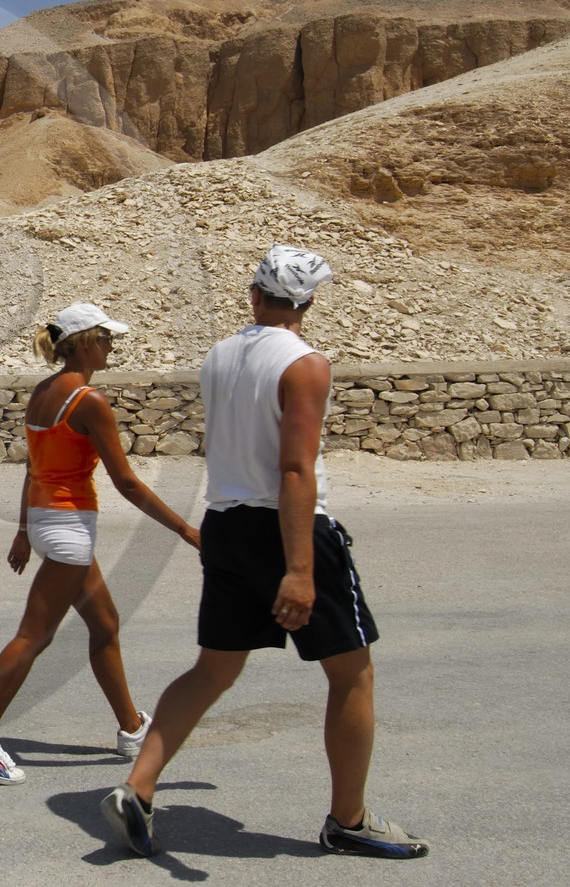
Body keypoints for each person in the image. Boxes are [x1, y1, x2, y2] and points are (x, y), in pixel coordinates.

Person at [101, 246, 428, 860]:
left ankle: (138, 788)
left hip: (225, 524)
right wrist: (301, 569)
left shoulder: (219, 356)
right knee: (352, 673)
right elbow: (295, 468)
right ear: (308, 302)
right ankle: (349, 819)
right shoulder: (305, 364)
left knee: (213, 669)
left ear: (254, 294)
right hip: (286, 526)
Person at [0, 306, 200, 785]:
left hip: (50, 522)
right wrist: (187, 532)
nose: (111, 346)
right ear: (84, 342)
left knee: (104, 624)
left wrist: (26, 531)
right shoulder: (89, 401)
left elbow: (32, 469)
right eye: (106, 337)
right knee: (33, 636)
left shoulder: (43, 393)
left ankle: (131, 728)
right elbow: (126, 483)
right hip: (68, 527)